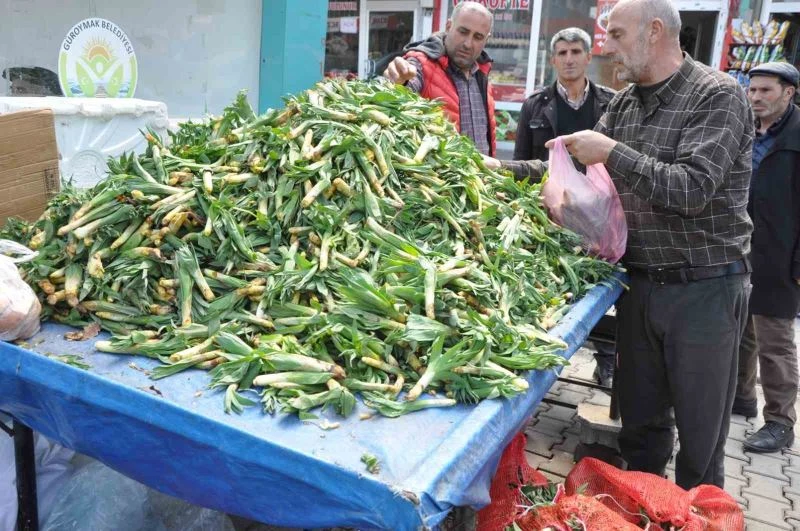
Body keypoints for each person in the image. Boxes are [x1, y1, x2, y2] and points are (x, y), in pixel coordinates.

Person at [486, 0, 753, 489]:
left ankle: (701, 515)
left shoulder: (716, 96)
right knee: (642, 426)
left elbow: (692, 190)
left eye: (616, 35)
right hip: (640, 285)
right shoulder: (627, 104)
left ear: (654, 32)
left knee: (701, 440)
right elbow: (570, 170)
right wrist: (497, 170)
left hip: (705, 291)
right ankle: (645, 505)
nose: (605, 48)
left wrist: (613, 152)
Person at [513, 27, 617, 387]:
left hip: (602, 213)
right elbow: (525, 161)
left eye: (576, 52)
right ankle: (549, 353)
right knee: (561, 283)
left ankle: (606, 360)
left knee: (603, 287)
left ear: (589, 57)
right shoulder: (535, 105)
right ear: (553, 59)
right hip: (555, 213)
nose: (569, 59)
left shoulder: (611, 102)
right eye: (562, 53)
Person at [732, 62, 800, 453]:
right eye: (752, 90)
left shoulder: (796, 136)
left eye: (765, 91)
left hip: (781, 253)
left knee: (775, 340)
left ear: (788, 92)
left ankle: (779, 422)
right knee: (742, 330)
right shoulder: (744, 129)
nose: (755, 97)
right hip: (741, 246)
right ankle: (742, 399)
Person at [383, 1, 497, 156]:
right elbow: (403, 87)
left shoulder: (482, 75)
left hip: (481, 179)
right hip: (443, 179)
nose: (468, 43)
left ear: (486, 40)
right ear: (449, 27)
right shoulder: (422, 64)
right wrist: (397, 83)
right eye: (463, 32)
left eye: (478, 37)